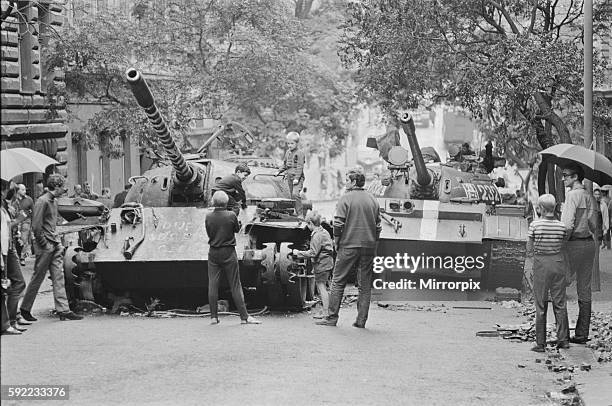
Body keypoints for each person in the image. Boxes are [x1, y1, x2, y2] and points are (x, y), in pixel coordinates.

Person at [316, 168, 381, 328]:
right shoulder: (372, 199)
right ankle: (361, 321)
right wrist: (373, 241)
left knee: (338, 282)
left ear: (353, 182)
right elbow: (378, 225)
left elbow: (338, 224)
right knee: (365, 285)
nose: (345, 183)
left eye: (346, 180)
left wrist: (336, 241)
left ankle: (331, 318)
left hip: (348, 245)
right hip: (368, 246)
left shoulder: (345, 199)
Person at [20, 174, 82, 322]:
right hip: (47, 245)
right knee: (38, 277)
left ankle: (63, 310)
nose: (65, 189)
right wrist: (45, 244)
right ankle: (25, 309)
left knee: (58, 276)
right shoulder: (43, 201)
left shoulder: (52, 201)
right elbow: (36, 226)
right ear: (57, 186)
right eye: (63, 186)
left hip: (52, 244)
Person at [205, 191, 260, 325]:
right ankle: (244, 317)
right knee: (235, 284)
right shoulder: (231, 215)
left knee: (212, 284)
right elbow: (236, 229)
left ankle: (213, 317)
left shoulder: (208, 216)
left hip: (213, 252)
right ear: (226, 203)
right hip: (228, 251)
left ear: (213, 202)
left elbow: (208, 231)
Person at [527, 194, 570, 352]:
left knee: (541, 304)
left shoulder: (535, 226)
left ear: (541, 209)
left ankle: (540, 343)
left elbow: (529, 249)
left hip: (542, 265)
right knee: (560, 304)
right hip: (558, 263)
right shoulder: (562, 226)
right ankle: (563, 340)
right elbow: (564, 246)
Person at [560, 163, 597, 344]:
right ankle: (582, 334)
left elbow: (567, 225)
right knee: (584, 289)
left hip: (573, 244)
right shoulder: (589, 196)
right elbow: (594, 225)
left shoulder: (572, 196)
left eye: (566, 175)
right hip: (589, 244)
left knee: (559, 285)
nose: (564, 178)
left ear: (575, 177)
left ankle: (563, 335)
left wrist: (562, 243)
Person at [1, 180, 29, 335]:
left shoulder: (8, 205)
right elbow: (5, 227)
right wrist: (18, 221)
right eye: (10, 188)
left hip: (9, 247)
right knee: (16, 284)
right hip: (6, 249)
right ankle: (10, 321)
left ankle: (13, 318)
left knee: (12, 285)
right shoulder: (3, 206)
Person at [293, 211, 333, 319]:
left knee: (321, 288)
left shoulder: (317, 236)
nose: (307, 226)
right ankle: (325, 309)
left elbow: (313, 252)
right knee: (323, 287)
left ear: (310, 223)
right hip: (327, 263)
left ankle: (326, 312)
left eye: (307, 224)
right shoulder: (323, 231)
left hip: (322, 264)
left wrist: (298, 253)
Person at [277, 132, 305, 215]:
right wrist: (279, 171)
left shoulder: (300, 153)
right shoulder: (287, 152)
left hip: (297, 178)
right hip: (289, 177)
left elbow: (300, 167)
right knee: (291, 196)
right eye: (288, 143)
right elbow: (285, 164)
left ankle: (300, 214)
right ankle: (293, 212)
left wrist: (297, 178)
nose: (290, 145)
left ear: (297, 143)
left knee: (295, 194)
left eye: (292, 143)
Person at [14, 184, 34, 265]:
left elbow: (33, 211)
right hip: (15, 221)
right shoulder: (14, 199)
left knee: (24, 238)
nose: (24, 191)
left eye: (25, 189)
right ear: (18, 190)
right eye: (22, 190)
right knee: (15, 239)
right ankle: (16, 256)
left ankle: (22, 257)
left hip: (26, 221)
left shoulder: (29, 199)